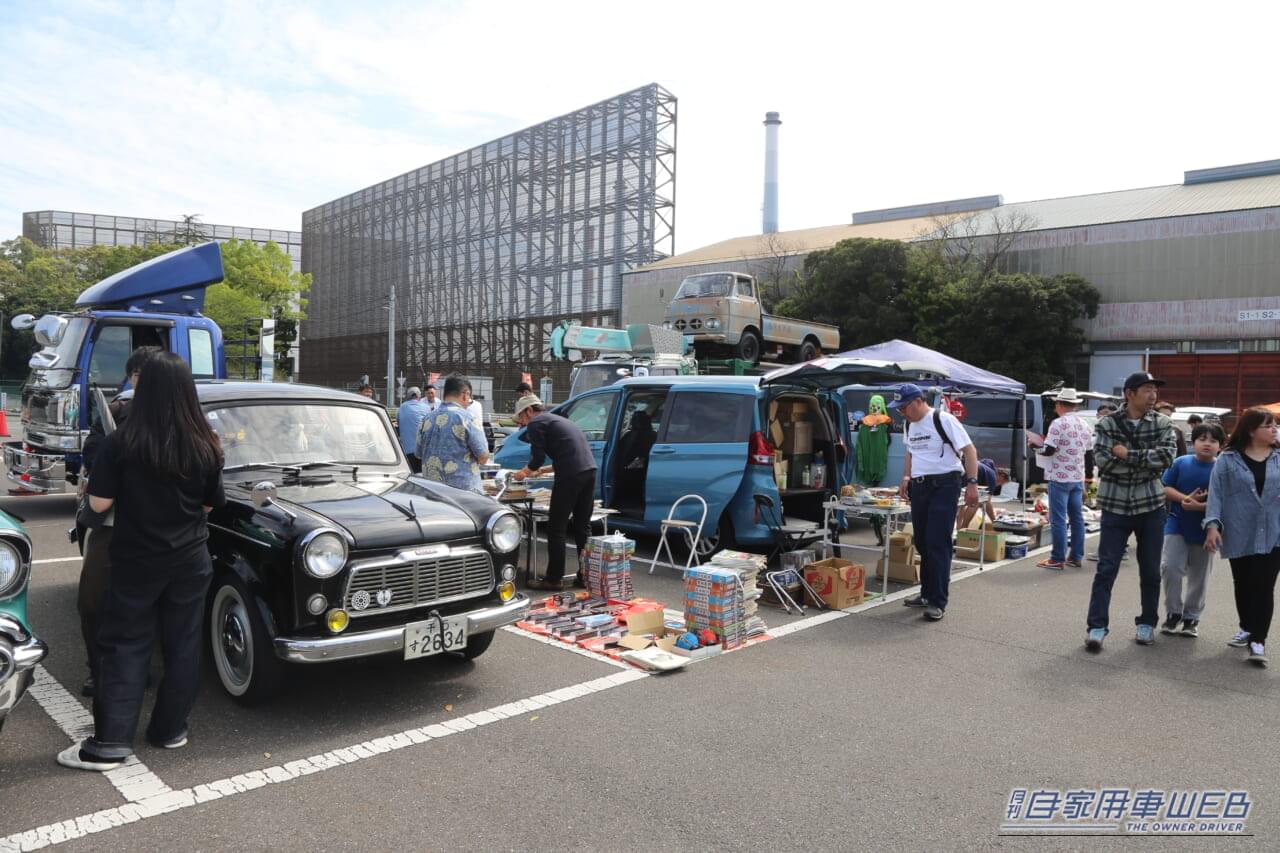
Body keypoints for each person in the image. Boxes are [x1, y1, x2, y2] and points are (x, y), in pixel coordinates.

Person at [57, 352, 226, 772]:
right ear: (189, 391)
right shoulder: (207, 443)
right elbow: (208, 506)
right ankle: (170, 730)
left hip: (136, 558)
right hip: (191, 558)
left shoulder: (123, 441)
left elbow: (99, 503)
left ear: (143, 389)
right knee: (183, 644)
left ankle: (110, 744)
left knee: (125, 644)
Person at [76, 345, 162, 697]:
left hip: (154, 529)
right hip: (110, 525)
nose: (141, 381)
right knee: (94, 601)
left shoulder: (179, 414)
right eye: (139, 374)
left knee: (141, 606)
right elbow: (92, 452)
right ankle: (99, 670)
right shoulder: (116, 411)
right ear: (133, 377)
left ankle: (135, 671)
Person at [1084, 371, 1178, 651]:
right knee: (1106, 568)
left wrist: (1125, 454)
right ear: (1129, 393)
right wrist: (1144, 464)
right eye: (1147, 390)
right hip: (1115, 505)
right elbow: (1103, 461)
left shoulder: (1162, 423)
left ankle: (1146, 623)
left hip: (1150, 506)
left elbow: (1166, 458)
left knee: (1150, 570)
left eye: (1155, 390)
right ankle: (1096, 627)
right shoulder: (1107, 424)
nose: (1153, 396)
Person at [892, 384, 980, 622]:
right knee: (921, 539)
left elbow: (970, 451)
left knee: (937, 541)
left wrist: (972, 483)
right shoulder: (910, 425)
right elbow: (911, 452)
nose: (902, 413)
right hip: (920, 485)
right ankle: (926, 593)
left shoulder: (944, 419)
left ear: (918, 401)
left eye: (904, 407)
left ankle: (937, 601)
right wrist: (906, 477)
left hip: (945, 484)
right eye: (899, 409)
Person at [1205, 407, 1280, 668]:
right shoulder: (1228, 459)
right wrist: (1213, 526)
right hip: (1239, 529)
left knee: (1264, 586)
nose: (1274, 429)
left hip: (1273, 532)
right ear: (1251, 430)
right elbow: (1216, 495)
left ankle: (1258, 641)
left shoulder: (1279, 458)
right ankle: (1247, 626)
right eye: (1268, 425)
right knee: (1244, 583)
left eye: (1275, 425)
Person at [512, 395, 598, 591]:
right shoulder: (560, 420)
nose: (522, 424)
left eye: (522, 419)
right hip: (589, 471)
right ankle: (586, 576)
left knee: (556, 528)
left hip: (570, 475)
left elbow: (537, 458)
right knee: (582, 527)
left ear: (528, 411)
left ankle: (554, 578)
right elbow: (568, 454)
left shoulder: (536, 423)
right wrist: (542, 471)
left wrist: (522, 473)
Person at [1160, 423, 1225, 638]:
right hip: (1176, 522)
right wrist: (1185, 498)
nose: (1207, 444)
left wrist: (1200, 507)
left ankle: (1191, 617)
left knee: (1200, 574)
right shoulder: (1180, 462)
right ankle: (1173, 613)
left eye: (1213, 440)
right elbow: (1165, 488)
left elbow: (1228, 501)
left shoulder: (1222, 468)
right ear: (1193, 442)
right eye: (1202, 439)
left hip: (1208, 528)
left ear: (1220, 446)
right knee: (1170, 567)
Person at [1036, 388, 1089, 570]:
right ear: (1074, 405)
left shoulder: (1057, 424)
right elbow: (1089, 452)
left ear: (1059, 404)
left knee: (1058, 519)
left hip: (1059, 476)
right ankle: (1075, 556)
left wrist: (1035, 447)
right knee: (1077, 518)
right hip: (1077, 476)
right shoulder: (1084, 423)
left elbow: (1049, 450)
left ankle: (1057, 558)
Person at [415, 375, 489, 493]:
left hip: (432, 492)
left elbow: (418, 453)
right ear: (465, 394)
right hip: (463, 493)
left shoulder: (426, 419)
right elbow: (483, 457)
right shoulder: (468, 418)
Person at [397, 386, 427, 473]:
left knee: (411, 475)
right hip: (423, 450)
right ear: (419, 396)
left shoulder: (402, 407)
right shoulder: (426, 407)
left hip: (407, 450)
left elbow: (399, 423)